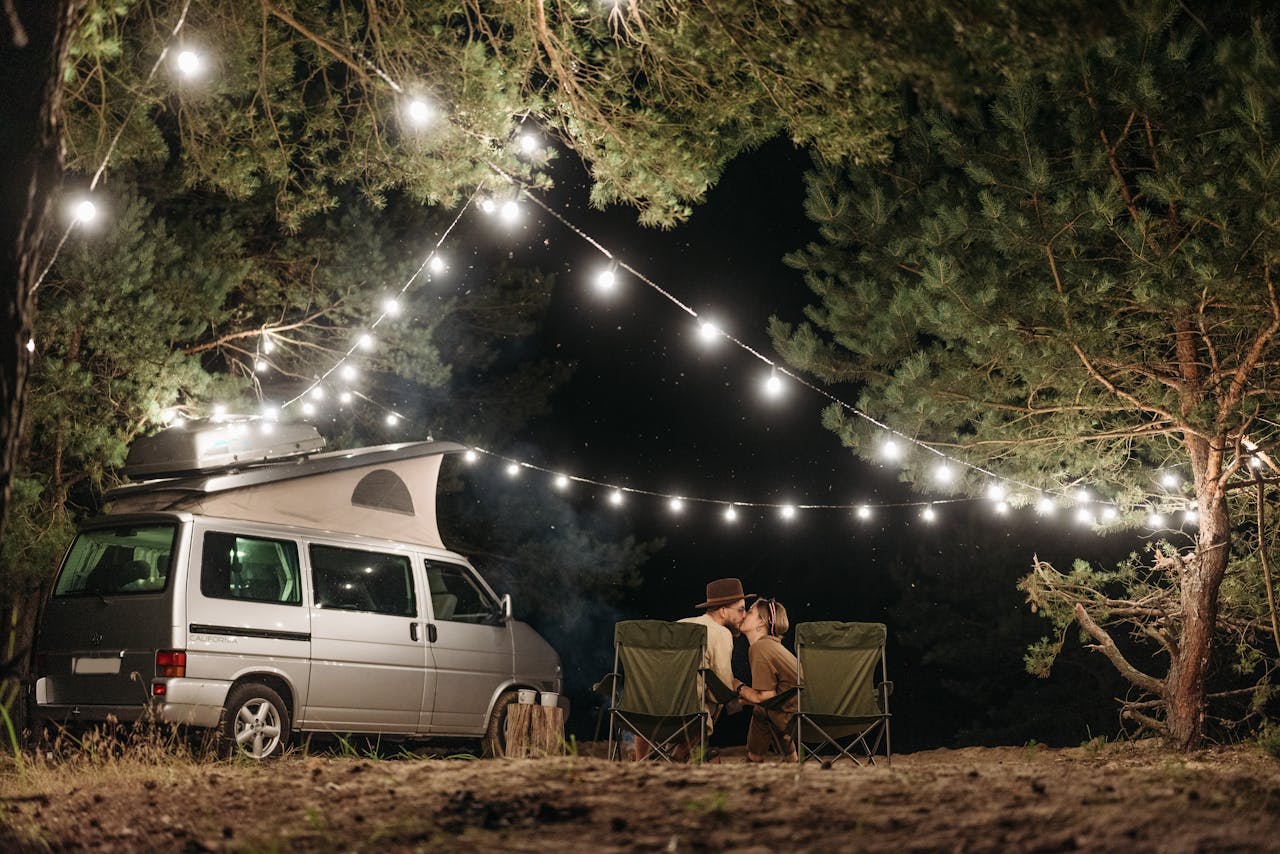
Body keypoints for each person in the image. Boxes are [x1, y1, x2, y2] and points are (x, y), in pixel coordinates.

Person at [678, 577, 751, 728]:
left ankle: (645, 753)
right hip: (689, 714)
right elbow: (721, 689)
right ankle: (682, 752)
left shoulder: (681, 624)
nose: (745, 615)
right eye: (741, 609)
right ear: (723, 611)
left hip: (650, 709)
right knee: (721, 699)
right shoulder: (721, 633)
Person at [737, 597, 799, 762]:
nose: (743, 615)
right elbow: (778, 696)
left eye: (750, 612)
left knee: (762, 710)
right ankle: (792, 759)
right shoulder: (773, 645)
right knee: (763, 711)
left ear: (761, 623)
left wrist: (737, 686)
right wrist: (749, 698)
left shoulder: (760, 647)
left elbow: (765, 697)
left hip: (796, 720)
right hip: (803, 715)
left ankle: (754, 759)